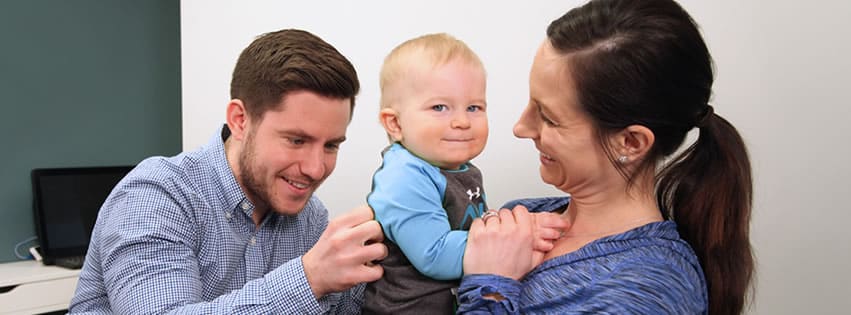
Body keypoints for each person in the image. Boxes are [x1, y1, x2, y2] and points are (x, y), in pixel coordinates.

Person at [456, 0, 754, 314]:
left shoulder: (647, 289)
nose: (521, 127)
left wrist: (491, 288)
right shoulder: (523, 220)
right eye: (532, 104)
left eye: (549, 118)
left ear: (630, 142)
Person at [69, 29, 388, 314]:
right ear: (239, 120)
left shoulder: (311, 219)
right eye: (296, 140)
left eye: (331, 145)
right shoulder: (155, 194)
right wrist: (310, 279)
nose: (316, 168)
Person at [362, 33, 565, 314]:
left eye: (474, 107)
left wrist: (504, 224)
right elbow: (435, 254)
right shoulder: (403, 178)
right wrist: (515, 237)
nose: (461, 122)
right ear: (395, 123)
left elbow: (469, 226)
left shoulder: (456, 167)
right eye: (439, 107)